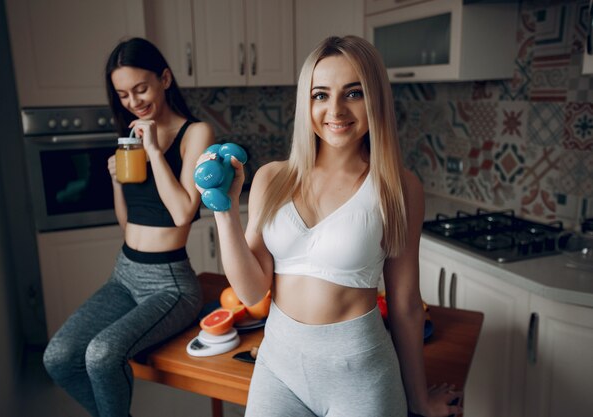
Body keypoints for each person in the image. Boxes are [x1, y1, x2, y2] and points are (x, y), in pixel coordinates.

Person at [201, 36, 463, 417]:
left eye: (353, 93)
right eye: (320, 95)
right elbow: (252, 289)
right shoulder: (272, 178)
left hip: (360, 377)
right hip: (278, 369)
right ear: (305, 103)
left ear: (375, 99)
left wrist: (418, 400)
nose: (335, 109)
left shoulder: (398, 187)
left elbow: (405, 304)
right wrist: (224, 209)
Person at [43, 37, 214, 417]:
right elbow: (128, 224)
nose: (134, 102)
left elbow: (183, 212)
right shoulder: (130, 139)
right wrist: (118, 183)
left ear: (164, 79)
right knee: (58, 357)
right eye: (123, 94)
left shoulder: (195, 134)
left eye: (141, 88)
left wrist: (154, 151)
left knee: (102, 355)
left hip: (170, 283)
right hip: (124, 274)